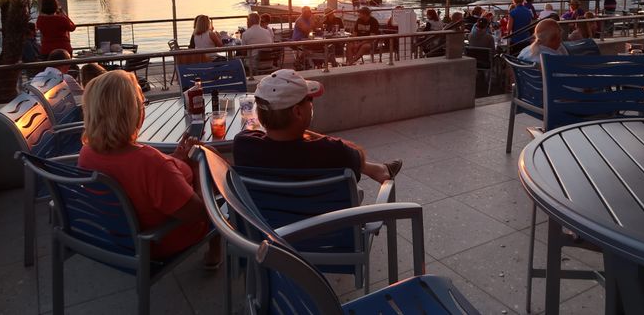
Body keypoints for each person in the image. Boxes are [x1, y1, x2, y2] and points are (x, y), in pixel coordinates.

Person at [77, 71, 220, 267]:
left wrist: (175, 159)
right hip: (159, 239)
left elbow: (136, 173)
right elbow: (201, 214)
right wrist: (197, 168)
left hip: (121, 235)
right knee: (211, 166)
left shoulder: (87, 153)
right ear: (132, 112)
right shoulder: (151, 163)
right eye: (142, 104)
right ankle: (216, 253)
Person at [233, 69, 402, 183]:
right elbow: (357, 156)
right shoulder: (332, 151)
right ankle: (381, 171)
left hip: (263, 231)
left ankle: (380, 170)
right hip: (324, 231)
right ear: (298, 112)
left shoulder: (243, 144)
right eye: (310, 99)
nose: (312, 105)